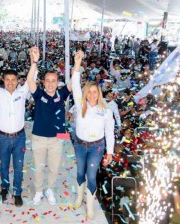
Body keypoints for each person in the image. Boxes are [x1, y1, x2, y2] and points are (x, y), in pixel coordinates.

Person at [26, 46, 73, 206]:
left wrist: (78, 64)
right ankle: (39, 191)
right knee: (38, 168)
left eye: (54, 81)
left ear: (57, 82)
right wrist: (34, 62)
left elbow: (74, 82)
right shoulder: (39, 94)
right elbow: (30, 81)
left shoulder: (62, 94)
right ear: (44, 82)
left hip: (58, 137)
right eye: (48, 81)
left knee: (54, 167)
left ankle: (49, 189)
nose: (51, 84)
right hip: (39, 136)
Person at [71, 50, 114, 219]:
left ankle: (89, 205)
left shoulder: (106, 111)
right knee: (80, 172)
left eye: (95, 92)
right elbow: (75, 85)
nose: (92, 95)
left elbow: (109, 132)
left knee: (91, 174)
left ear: (99, 93)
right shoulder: (80, 104)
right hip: (80, 145)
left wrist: (109, 151)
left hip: (97, 147)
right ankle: (79, 197)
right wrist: (77, 64)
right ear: (86, 93)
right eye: (89, 92)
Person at [0, 68, 30, 207]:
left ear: (17, 80)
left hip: (19, 137)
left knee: (18, 166)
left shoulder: (22, 92)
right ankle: (4, 188)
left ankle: (17, 192)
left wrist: (34, 62)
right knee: (4, 165)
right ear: (3, 80)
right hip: (3, 138)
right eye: (7, 79)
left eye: (13, 80)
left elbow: (31, 77)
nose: (10, 82)